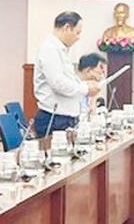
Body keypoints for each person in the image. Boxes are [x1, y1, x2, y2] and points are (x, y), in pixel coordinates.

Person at [32, 11, 101, 140]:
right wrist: (86, 89)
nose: (78, 37)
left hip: (64, 118)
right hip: (54, 119)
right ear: (67, 27)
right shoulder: (50, 49)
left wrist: (84, 84)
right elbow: (58, 83)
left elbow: (68, 80)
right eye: (77, 32)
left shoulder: (61, 50)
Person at [78, 52, 109, 119]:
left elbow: (101, 113)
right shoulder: (76, 89)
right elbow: (89, 114)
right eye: (99, 73)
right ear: (88, 70)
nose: (101, 77)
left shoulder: (97, 94)